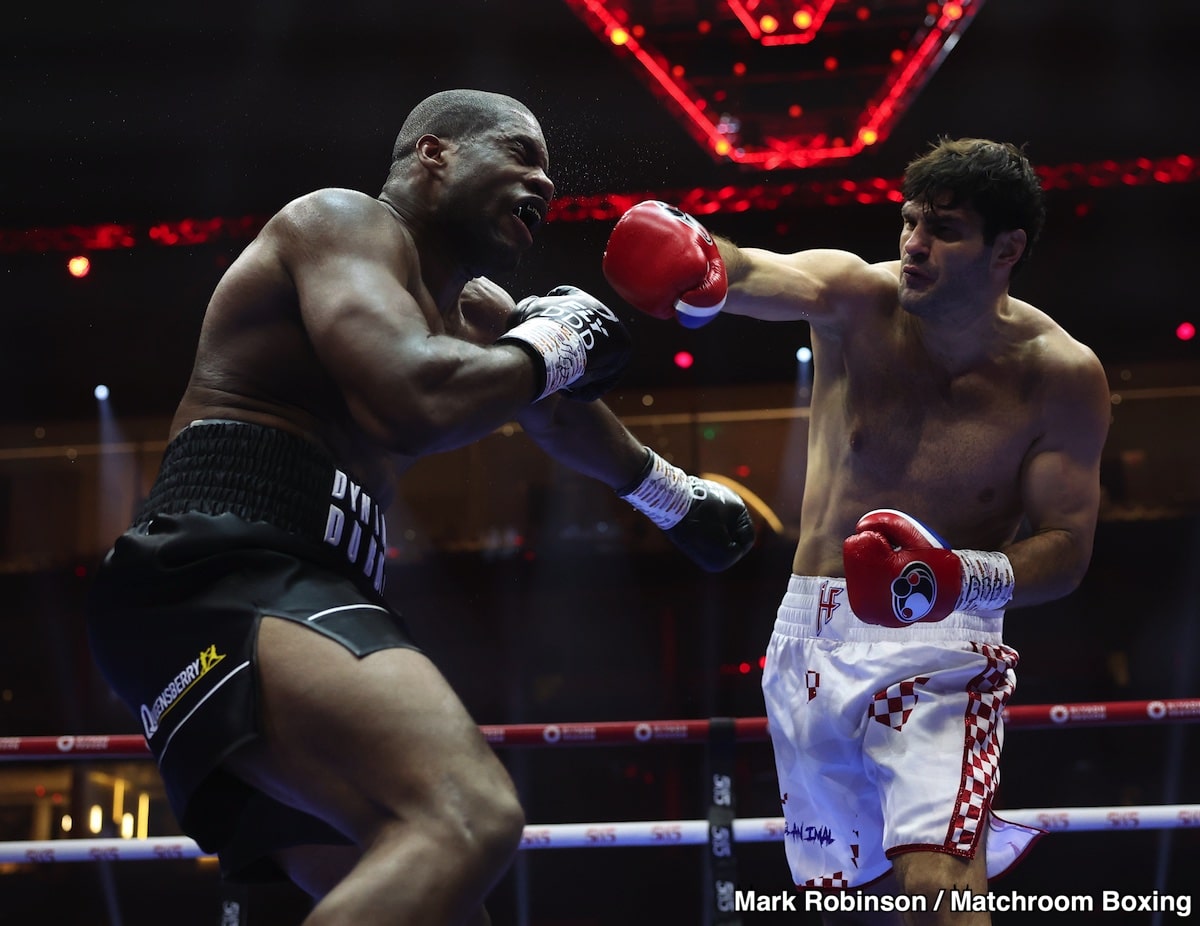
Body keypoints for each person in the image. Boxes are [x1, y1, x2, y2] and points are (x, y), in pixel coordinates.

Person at [86, 88, 754, 926]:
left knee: (439, 902)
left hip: (272, 585)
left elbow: (549, 404)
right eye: (519, 153)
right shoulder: (340, 223)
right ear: (434, 155)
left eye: (549, 166)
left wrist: (672, 497)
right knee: (466, 817)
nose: (546, 181)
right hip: (224, 566)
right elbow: (413, 396)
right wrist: (554, 344)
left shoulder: (471, 311)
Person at [601, 138, 1112, 924]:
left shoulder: (1059, 374)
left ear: (1007, 249)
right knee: (856, 909)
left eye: (943, 229)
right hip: (811, 635)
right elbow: (751, 271)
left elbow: (1068, 549)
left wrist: (949, 577)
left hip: (945, 645)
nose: (914, 245)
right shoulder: (854, 299)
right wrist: (698, 260)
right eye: (910, 222)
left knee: (940, 885)